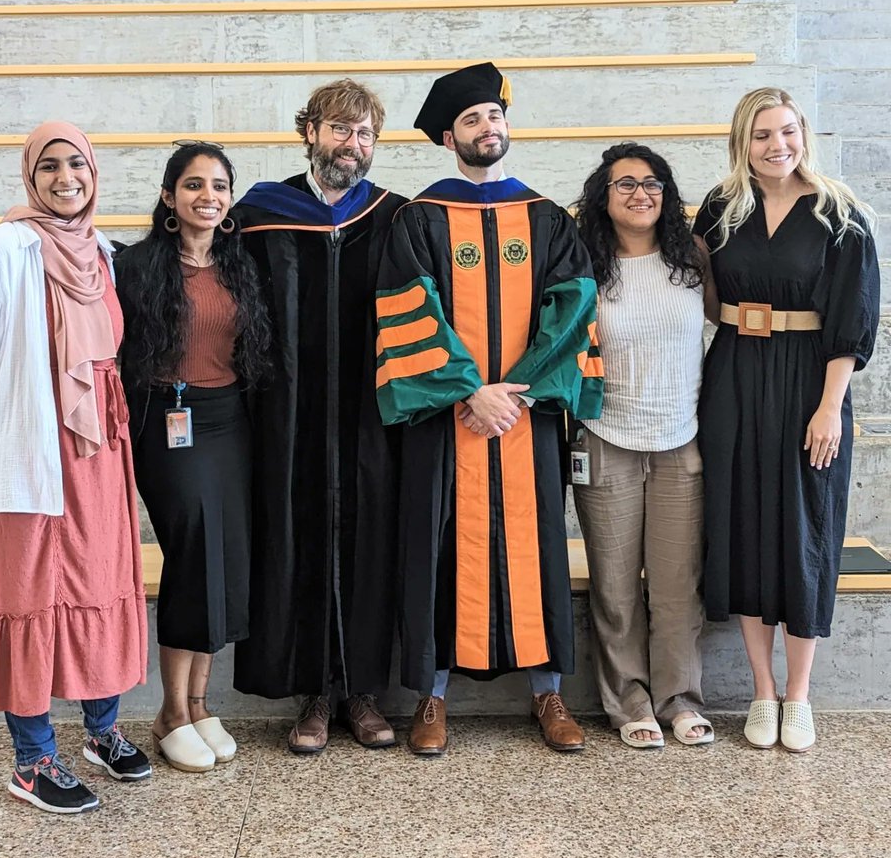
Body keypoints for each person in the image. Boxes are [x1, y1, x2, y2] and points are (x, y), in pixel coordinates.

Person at [375, 62, 604, 756]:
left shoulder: (547, 218)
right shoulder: (418, 219)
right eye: (471, 120)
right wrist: (469, 391)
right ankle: (431, 699)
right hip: (449, 421)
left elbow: (573, 311)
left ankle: (549, 690)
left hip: (524, 418)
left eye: (494, 117)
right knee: (437, 544)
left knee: (538, 547)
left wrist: (518, 390)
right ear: (449, 137)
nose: (487, 128)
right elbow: (409, 309)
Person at [0, 122, 150, 814]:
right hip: (28, 457)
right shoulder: (2, 249)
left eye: (78, 165)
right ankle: (32, 761)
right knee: (26, 598)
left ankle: (101, 731)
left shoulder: (105, 254)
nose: (67, 179)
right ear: (31, 177)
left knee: (102, 584)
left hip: (98, 458)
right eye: (51, 167)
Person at [694, 88, 879, 753]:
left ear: (804, 133)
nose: (778, 146)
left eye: (788, 131)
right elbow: (703, 292)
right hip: (736, 373)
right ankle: (761, 692)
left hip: (809, 380)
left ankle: (798, 695)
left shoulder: (841, 213)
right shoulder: (721, 208)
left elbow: (853, 321)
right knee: (744, 522)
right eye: (763, 135)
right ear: (742, 142)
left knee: (806, 526)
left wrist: (830, 407)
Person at [232, 80, 407, 754]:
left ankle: (362, 692)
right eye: (340, 130)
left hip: (369, 412)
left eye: (364, 135)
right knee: (298, 537)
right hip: (289, 413)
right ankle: (312, 693)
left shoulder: (394, 215)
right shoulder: (259, 212)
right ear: (309, 131)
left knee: (370, 542)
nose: (352, 145)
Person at [115, 143, 270, 773]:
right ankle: (169, 712)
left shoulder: (239, 264)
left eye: (220, 186)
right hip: (165, 423)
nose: (208, 196)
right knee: (194, 552)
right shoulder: (136, 266)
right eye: (194, 185)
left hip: (229, 420)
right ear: (168, 196)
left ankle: (201, 702)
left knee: (226, 557)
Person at [572, 143, 713, 749]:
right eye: (625, 183)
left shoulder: (693, 259)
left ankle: (680, 697)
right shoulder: (584, 264)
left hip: (681, 439)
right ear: (603, 196)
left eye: (653, 183)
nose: (641, 193)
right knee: (615, 585)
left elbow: (728, 327)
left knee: (679, 583)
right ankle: (630, 699)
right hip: (606, 439)